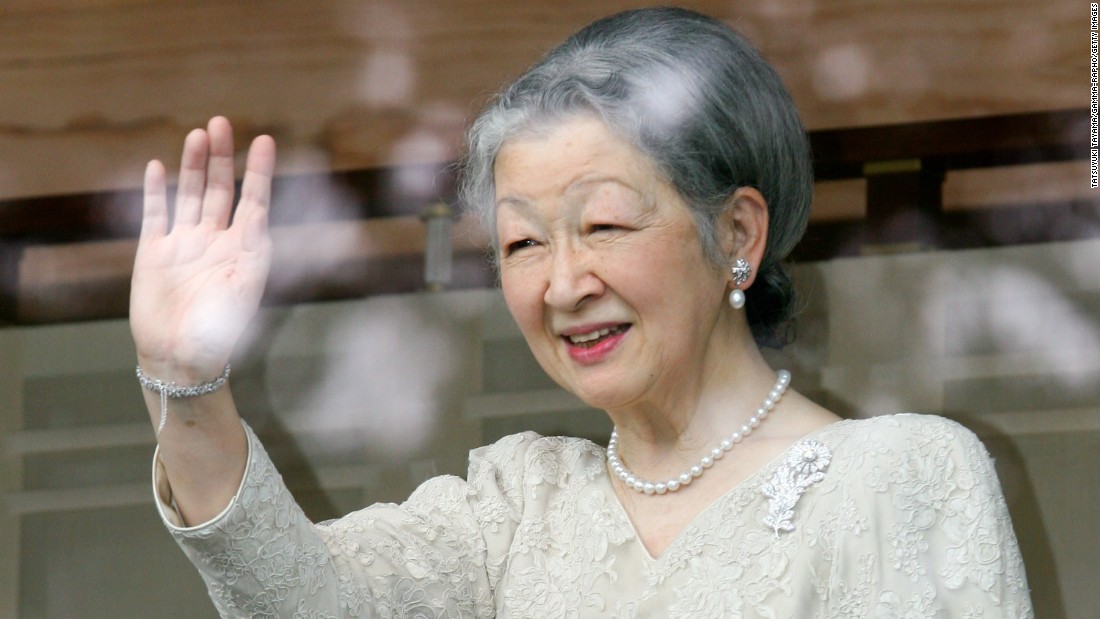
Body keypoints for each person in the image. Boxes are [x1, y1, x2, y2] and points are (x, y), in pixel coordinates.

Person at [131, 7, 1033, 617]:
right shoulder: (516, 507)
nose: (563, 284)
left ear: (737, 231)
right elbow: (299, 596)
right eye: (523, 243)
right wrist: (185, 374)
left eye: (603, 224)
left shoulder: (904, 477)